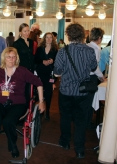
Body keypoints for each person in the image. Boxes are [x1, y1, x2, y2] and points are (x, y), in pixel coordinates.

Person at [0, 47, 45, 159]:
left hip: (17, 104)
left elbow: (38, 83)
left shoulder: (22, 71)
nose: (12, 59)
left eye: (14, 57)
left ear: (17, 58)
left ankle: (13, 145)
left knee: (8, 121)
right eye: (9, 57)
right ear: (4, 58)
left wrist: (41, 101)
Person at [53, 23, 97, 159]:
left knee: (65, 117)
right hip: (83, 92)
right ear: (83, 35)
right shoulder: (89, 51)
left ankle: (65, 142)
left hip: (66, 91)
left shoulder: (62, 51)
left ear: (68, 35)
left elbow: (57, 72)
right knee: (81, 120)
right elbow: (94, 67)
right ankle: (79, 149)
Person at [35, 32, 58, 120]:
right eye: (47, 37)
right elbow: (36, 59)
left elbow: (58, 62)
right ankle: (41, 110)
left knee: (49, 94)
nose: (48, 39)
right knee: (39, 93)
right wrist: (42, 61)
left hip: (49, 74)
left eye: (50, 37)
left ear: (53, 39)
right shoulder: (40, 48)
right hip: (40, 73)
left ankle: (47, 111)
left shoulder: (55, 49)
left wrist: (52, 60)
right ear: (44, 38)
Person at [87, 27, 105, 128]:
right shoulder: (96, 48)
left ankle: (85, 120)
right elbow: (95, 66)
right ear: (99, 37)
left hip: (85, 76)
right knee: (90, 99)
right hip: (92, 77)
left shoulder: (87, 45)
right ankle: (88, 122)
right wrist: (102, 77)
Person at [13, 23, 35, 105]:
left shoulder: (31, 42)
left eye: (28, 31)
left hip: (30, 70)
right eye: (25, 31)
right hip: (21, 70)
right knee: (22, 90)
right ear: (20, 32)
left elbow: (32, 56)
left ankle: (28, 107)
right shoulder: (16, 43)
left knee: (30, 90)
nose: (27, 33)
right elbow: (14, 59)